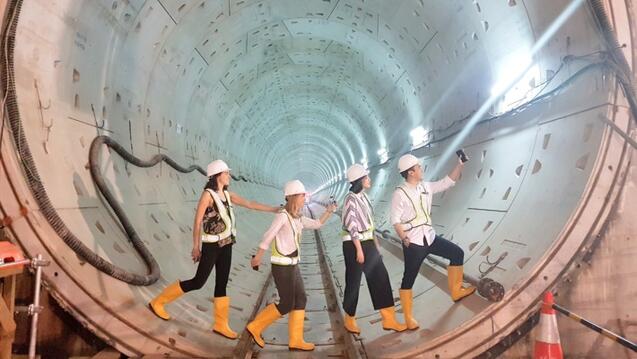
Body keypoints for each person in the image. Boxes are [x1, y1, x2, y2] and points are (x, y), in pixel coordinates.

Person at [149, 160, 279, 339]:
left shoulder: (228, 195)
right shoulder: (208, 195)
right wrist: (196, 247)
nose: (229, 176)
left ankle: (220, 324)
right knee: (198, 282)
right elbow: (197, 221)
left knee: (222, 283)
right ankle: (159, 302)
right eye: (226, 173)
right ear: (218, 175)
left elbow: (250, 203)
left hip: (227, 246)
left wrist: (275, 209)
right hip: (211, 247)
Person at [247, 180, 336, 351]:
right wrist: (258, 257)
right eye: (303, 195)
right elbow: (268, 235)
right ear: (294, 197)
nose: (305, 198)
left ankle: (296, 340)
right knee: (287, 303)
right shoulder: (283, 216)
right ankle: (256, 327)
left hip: (293, 266)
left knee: (301, 298)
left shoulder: (298, 217)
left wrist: (329, 211)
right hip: (282, 267)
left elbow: (317, 224)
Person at [391, 154, 475, 330]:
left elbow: (447, 182)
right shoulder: (400, 194)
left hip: (430, 237)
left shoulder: (425, 187)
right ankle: (408, 318)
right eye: (419, 167)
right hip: (413, 243)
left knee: (457, 254)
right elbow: (395, 220)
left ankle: (456, 291)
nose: (421, 169)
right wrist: (403, 237)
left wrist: (459, 165)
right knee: (409, 278)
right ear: (411, 172)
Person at [341, 164, 406, 334]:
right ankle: (349, 319)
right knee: (354, 282)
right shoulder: (350, 199)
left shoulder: (364, 197)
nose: (369, 179)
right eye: (366, 178)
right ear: (359, 181)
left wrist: (376, 245)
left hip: (368, 243)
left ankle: (389, 319)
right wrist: (359, 250)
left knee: (380, 277)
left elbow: (370, 225)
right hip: (353, 245)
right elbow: (351, 225)